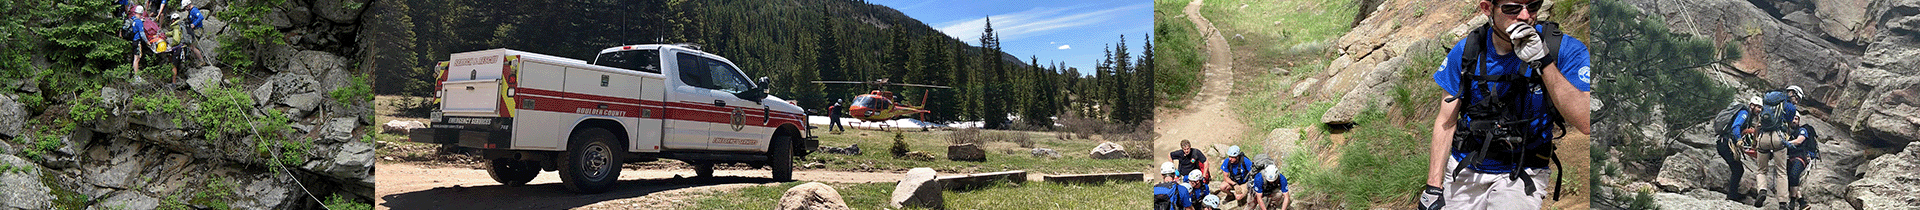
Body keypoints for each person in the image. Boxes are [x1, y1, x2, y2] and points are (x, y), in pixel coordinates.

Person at [1420, 0, 1592, 209]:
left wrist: (1544, 61)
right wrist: (1433, 187)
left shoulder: (1563, 50)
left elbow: (1585, 122)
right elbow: (1446, 122)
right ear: (1487, 9)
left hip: (1523, 170)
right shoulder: (1467, 51)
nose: (1525, 15)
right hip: (1466, 169)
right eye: (1512, 8)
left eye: (1533, 5)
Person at [1717, 96, 1762, 202]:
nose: (1759, 110)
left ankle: (1733, 194)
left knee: (1737, 169)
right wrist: (1738, 140)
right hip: (1726, 143)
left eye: (1760, 108)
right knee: (1738, 169)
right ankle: (1732, 196)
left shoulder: (1748, 117)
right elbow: (1736, 126)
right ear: (1751, 105)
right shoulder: (1744, 113)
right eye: (1758, 107)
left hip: (1724, 143)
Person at [1783, 113, 1816, 209]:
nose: (1794, 121)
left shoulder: (1802, 130)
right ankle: (1801, 202)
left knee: (1794, 175)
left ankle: (1793, 201)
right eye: (1793, 118)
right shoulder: (1787, 132)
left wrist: (1785, 143)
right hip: (1790, 158)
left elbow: (1799, 141)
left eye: (1796, 119)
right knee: (1791, 179)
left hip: (1800, 157)